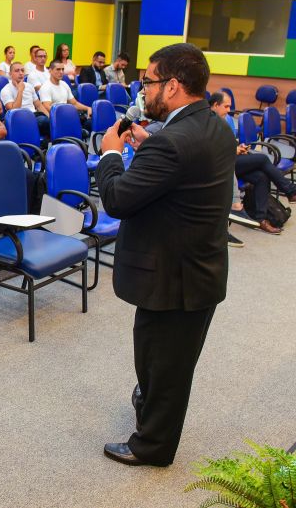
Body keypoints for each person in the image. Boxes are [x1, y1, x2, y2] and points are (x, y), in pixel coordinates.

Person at [96, 43, 236, 467]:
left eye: (149, 82)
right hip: (197, 269)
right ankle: (150, 406)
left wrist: (110, 153)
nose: (144, 90)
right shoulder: (215, 126)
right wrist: (150, 142)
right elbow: (177, 172)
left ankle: (151, 447)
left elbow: (118, 199)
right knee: (162, 360)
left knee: (166, 369)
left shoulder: (171, 144)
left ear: (173, 86)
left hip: (173, 279)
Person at [210, 91, 295, 234]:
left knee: (261, 176)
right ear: (214, 105)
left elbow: (228, 142)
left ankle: (260, 219)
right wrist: (233, 150)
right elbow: (209, 149)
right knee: (262, 159)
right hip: (219, 163)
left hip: (231, 158)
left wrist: (238, 147)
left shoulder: (226, 120)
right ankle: (290, 190)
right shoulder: (206, 121)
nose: (229, 110)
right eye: (225, 106)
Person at [40, 59, 92, 130]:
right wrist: (64, 114)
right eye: (58, 69)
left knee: (90, 121)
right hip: (57, 116)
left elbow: (74, 103)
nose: (61, 72)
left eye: (62, 69)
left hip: (66, 114)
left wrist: (88, 108)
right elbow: (47, 107)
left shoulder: (64, 84)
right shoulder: (46, 87)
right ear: (50, 71)